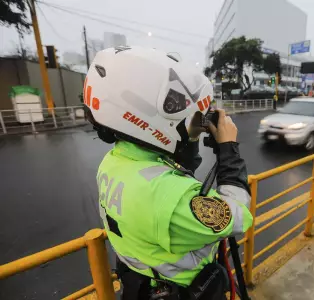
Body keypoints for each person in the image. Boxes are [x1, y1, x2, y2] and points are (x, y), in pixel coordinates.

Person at [83, 46, 253, 299]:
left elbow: (171, 172)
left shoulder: (114, 162)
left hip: (137, 283)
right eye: (192, 121)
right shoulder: (171, 196)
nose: (196, 129)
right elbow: (238, 217)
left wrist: (182, 144)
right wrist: (229, 151)